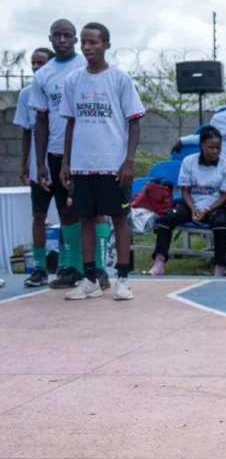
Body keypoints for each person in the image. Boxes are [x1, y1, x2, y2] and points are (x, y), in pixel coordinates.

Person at [58, 22, 145, 301]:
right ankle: (90, 278)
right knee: (85, 219)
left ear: (106, 45)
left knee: (119, 218)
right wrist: (65, 163)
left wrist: (129, 161)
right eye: (83, 42)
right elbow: (70, 123)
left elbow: (134, 122)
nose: (87, 47)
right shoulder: (73, 80)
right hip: (82, 164)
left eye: (93, 42)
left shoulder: (120, 79)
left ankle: (122, 279)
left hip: (113, 164)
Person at [32, 19, 88, 289]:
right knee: (65, 211)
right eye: (58, 35)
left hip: (88, 152)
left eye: (68, 36)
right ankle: (73, 269)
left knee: (91, 210)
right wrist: (40, 162)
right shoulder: (43, 75)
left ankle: (95, 269)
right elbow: (40, 121)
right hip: (56, 152)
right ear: (51, 38)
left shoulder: (86, 67)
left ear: (75, 40)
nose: (62, 40)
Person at [150, 127, 226, 277]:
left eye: (218, 148)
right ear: (202, 145)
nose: (215, 151)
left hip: (216, 207)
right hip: (191, 205)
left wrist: (206, 210)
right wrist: (194, 209)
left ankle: (219, 267)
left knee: (221, 224)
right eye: (211, 147)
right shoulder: (189, 162)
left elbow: (225, 197)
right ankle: (159, 262)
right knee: (167, 219)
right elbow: (186, 191)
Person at [15, 47, 55, 287]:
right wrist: (24, 163)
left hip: (62, 163)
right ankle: (40, 268)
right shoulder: (25, 94)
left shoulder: (61, 90)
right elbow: (26, 132)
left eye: (41, 63)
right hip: (38, 168)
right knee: (38, 215)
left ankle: (70, 265)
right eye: (33, 63)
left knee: (71, 215)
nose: (37, 67)